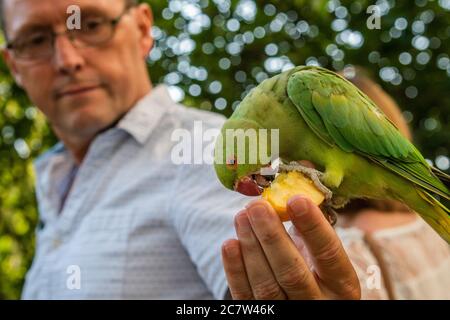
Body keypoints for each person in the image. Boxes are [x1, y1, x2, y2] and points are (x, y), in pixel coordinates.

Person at [1, 0, 360, 299]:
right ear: (13, 65)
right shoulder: (53, 176)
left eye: (91, 25)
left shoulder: (208, 149)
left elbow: (280, 277)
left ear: (143, 29)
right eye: (35, 39)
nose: (67, 60)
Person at [221, 67, 450, 300]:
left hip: (385, 165)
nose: (248, 183)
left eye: (233, 162)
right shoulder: (282, 147)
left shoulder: (300, 88)